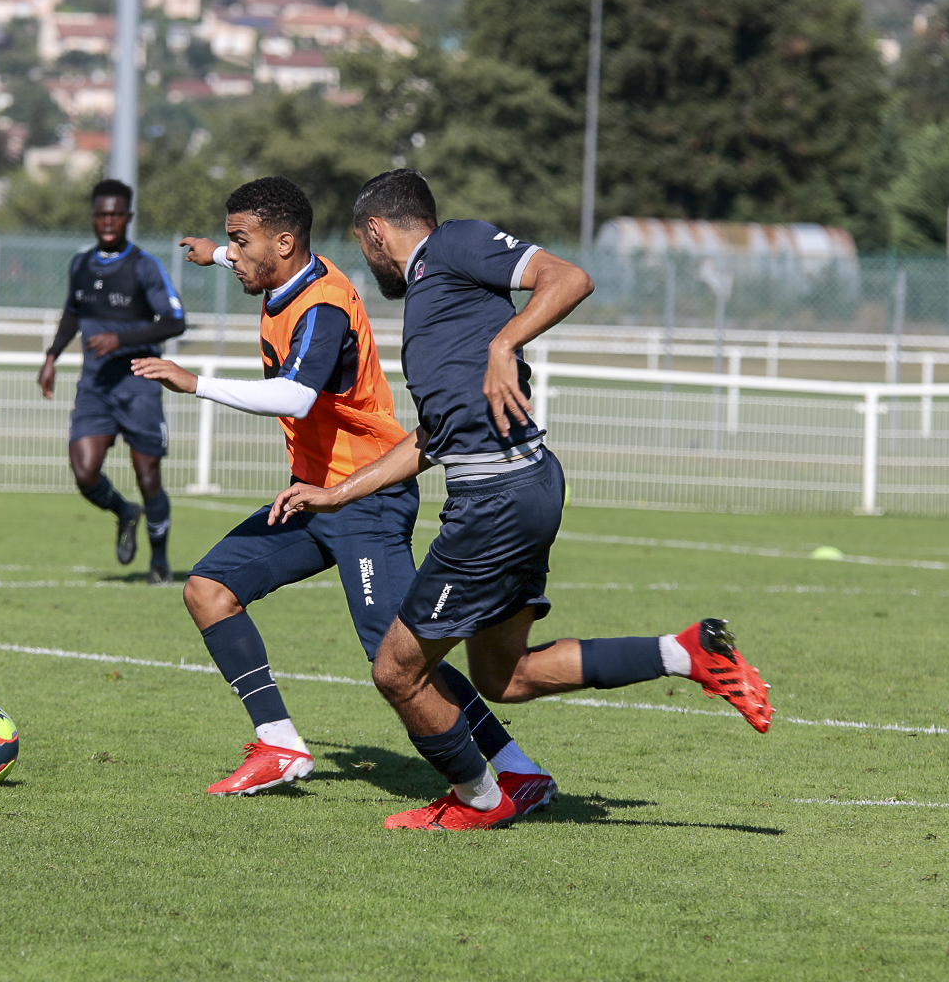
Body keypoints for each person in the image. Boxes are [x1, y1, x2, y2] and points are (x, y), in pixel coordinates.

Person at [271, 169, 772, 830]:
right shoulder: (432, 297)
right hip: (521, 483)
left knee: (396, 671)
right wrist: (338, 494)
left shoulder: (452, 246)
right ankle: (685, 653)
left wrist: (506, 343)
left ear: (375, 231)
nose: (367, 259)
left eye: (364, 246)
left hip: (496, 499)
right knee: (504, 679)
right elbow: (433, 437)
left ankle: (479, 800)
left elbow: (570, 277)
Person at [131, 176, 552, 810]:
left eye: (238, 242)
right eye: (230, 243)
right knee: (209, 589)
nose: (234, 253)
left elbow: (295, 396)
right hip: (313, 496)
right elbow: (258, 261)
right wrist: (213, 255)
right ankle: (280, 744)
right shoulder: (283, 274)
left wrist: (195, 383)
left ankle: (514, 770)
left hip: (365, 498)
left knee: (402, 658)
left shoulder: (324, 305)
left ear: (284, 241)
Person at [38, 180, 186, 585]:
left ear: (128, 218)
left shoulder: (143, 266)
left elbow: (175, 321)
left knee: (148, 475)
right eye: (101, 214)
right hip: (96, 386)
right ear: (93, 217)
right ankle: (124, 512)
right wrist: (51, 356)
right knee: (84, 473)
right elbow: (72, 313)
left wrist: (121, 339)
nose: (107, 221)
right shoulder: (81, 265)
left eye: (115, 214)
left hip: (138, 384)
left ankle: (159, 561)